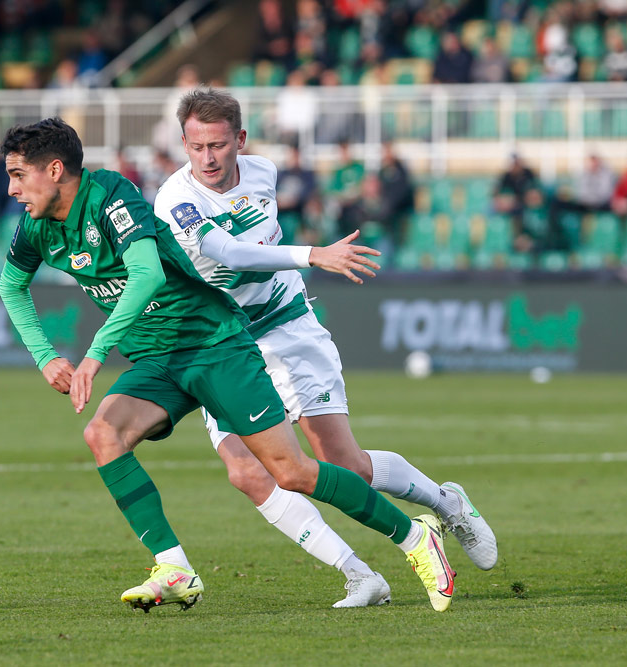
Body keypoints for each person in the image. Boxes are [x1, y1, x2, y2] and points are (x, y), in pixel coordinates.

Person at [0, 117, 458, 614]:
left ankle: (414, 538)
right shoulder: (37, 226)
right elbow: (11, 287)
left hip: (214, 343)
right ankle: (174, 567)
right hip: (159, 358)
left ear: (55, 169)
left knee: (293, 472)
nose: (12, 189)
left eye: (19, 175)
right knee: (103, 435)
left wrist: (93, 355)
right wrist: (45, 357)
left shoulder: (112, 197)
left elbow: (148, 273)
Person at [153, 88, 498, 607]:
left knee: (344, 465)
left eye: (219, 145)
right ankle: (360, 574)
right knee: (246, 472)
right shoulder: (175, 198)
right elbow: (222, 248)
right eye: (197, 146)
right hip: (226, 342)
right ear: (184, 142)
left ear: (239, 141)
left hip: (286, 327)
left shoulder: (264, 172)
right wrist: (313, 254)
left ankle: (445, 502)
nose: (208, 158)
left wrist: (298, 260)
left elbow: (253, 248)